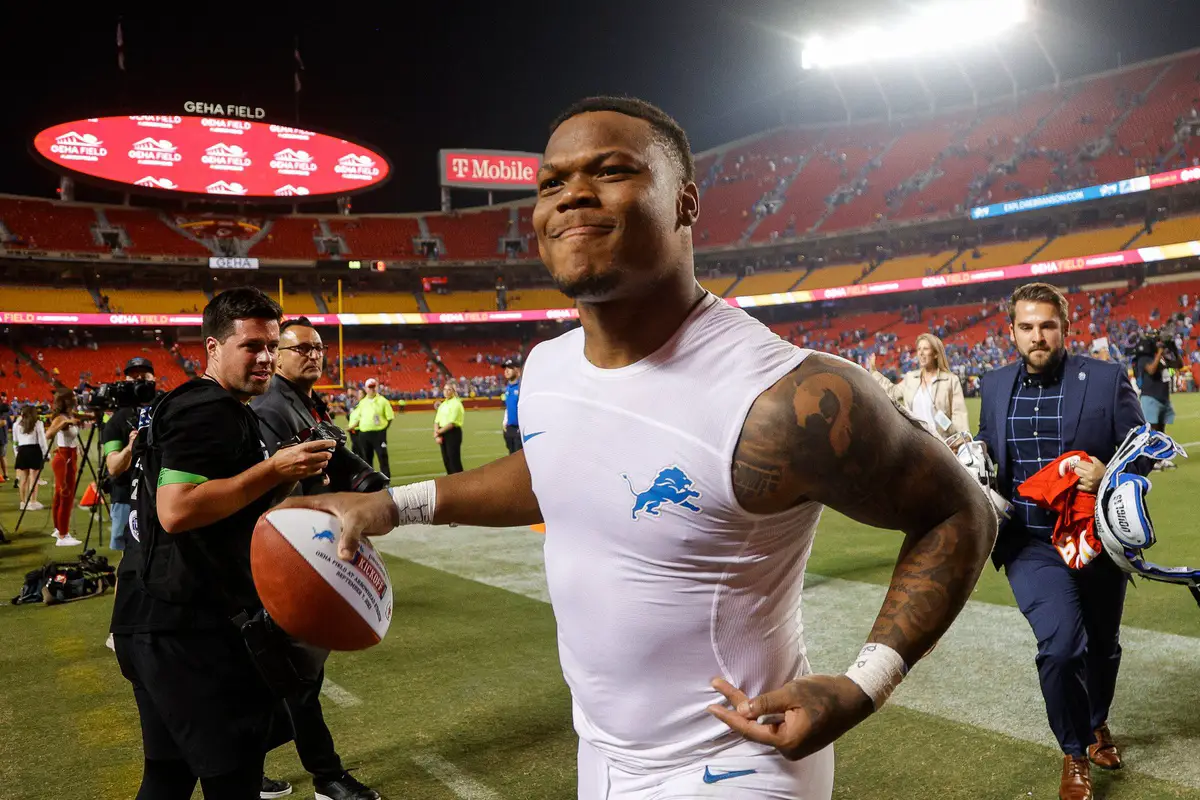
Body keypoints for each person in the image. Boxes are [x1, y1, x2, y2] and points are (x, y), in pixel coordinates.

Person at [281, 96, 997, 800]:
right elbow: (560, 472)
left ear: (685, 204)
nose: (571, 196)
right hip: (601, 752)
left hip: (740, 757)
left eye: (611, 170)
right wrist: (391, 505)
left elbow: (958, 514)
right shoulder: (548, 367)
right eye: (552, 182)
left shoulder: (787, 396)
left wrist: (864, 685)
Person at [109, 288, 335, 800]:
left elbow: (226, 506)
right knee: (233, 780)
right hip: (184, 628)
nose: (265, 358)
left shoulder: (221, 407)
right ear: (213, 347)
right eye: (251, 345)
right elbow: (178, 509)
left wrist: (283, 475)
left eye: (272, 346)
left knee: (167, 777)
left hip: (156, 619)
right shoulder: (206, 407)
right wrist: (272, 468)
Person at [975, 282, 1145, 800]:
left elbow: (1145, 447)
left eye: (1047, 325)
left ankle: (1097, 723)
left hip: (1096, 540)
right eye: (1026, 327)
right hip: (1029, 543)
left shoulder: (1106, 377)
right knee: (1062, 647)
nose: (1037, 336)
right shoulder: (994, 383)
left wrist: (1110, 469)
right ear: (1011, 332)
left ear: (1065, 329)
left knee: (1103, 648)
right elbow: (989, 454)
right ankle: (1074, 753)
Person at [249, 317, 381, 800]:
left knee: (292, 675)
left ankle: (246, 762)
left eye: (319, 347)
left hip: (307, 545)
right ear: (277, 355)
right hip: (289, 550)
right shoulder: (270, 406)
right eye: (301, 347)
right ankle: (325, 774)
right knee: (295, 675)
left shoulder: (301, 401)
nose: (313, 354)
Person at [867, 333, 969, 439]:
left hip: (943, 444)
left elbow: (959, 414)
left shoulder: (950, 380)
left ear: (935, 354)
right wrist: (874, 373)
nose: (921, 353)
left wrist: (961, 440)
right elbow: (892, 391)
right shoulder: (910, 378)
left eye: (925, 349)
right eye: (919, 349)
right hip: (916, 444)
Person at [103, 358, 157, 552]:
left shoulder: (164, 409)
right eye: (133, 377)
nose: (139, 380)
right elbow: (114, 467)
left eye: (144, 376)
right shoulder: (116, 421)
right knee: (128, 563)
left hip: (160, 494)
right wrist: (130, 447)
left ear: (154, 378)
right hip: (126, 496)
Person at [1133, 328, 1183, 468]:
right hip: (1150, 397)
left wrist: (1174, 350)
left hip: (1163, 398)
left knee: (1161, 431)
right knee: (1152, 432)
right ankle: (1150, 461)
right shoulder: (1143, 359)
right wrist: (1160, 352)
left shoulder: (1161, 357)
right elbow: (1151, 369)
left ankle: (1160, 459)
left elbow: (1179, 365)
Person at [45, 388, 82, 546]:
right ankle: (63, 535)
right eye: (73, 398)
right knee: (66, 496)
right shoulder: (61, 418)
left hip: (69, 456)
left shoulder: (69, 415)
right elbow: (49, 434)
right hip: (64, 458)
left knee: (60, 496)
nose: (75, 399)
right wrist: (65, 423)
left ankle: (57, 528)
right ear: (67, 401)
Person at [347, 378, 392, 478]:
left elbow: (390, 418)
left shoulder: (383, 401)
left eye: (373, 387)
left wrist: (382, 429)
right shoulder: (362, 403)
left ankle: (386, 480)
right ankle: (370, 480)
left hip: (379, 434)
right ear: (366, 389)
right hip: (364, 434)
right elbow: (358, 418)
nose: (372, 389)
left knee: (382, 457)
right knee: (367, 459)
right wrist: (352, 426)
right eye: (370, 387)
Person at [13, 404, 47, 512]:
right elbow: (42, 440)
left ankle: (22, 503)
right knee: (34, 478)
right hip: (34, 450)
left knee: (23, 479)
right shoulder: (38, 423)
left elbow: (15, 441)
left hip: (22, 451)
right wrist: (46, 454)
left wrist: (16, 453)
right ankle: (33, 502)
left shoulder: (16, 425)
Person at [433, 382, 465, 475]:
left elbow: (452, 423)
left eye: (449, 389)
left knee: (454, 460)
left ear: (453, 391)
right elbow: (436, 421)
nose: (446, 392)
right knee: (446, 460)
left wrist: (437, 432)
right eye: (445, 389)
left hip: (452, 433)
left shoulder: (456, 404)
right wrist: (437, 434)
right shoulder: (443, 404)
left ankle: (461, 483)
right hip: (442, 433)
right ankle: (452, 484)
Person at [500, 358, 523, 454]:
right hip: (509, 429)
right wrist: (505, 421)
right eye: (505, 368)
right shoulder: (508, 387)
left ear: (517, 370)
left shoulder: (522, 386)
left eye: (510, 368)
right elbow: (508, 407)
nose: (506, 370)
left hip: (519, 429)